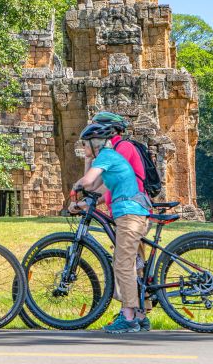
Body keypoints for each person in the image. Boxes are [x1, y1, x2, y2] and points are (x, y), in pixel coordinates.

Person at [70, 122, 151, 334]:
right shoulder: (108, 159)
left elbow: (87, 182)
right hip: (131, 213)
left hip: (130, 215)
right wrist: (80, 202)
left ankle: (128, 317)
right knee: (134, 263)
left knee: (123, 265)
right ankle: (141, 315)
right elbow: (96, 190)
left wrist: (75, 187)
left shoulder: (107, 155)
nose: (83, 148)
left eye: (85, 144)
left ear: (93, 143)